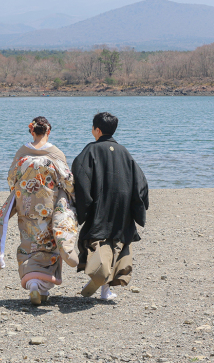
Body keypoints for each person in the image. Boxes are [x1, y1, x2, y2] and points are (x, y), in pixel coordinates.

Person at [0, 116, 79, 305]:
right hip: (48, 207)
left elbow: (11, 180)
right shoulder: (55, 155)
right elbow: (68, 181)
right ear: (48, 132)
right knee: (49, 246)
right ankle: (41, 287)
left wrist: (22, 193)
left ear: (32, 131)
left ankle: (33, 283)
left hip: (26, 206)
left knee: (28, 244)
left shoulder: (22, 155)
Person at [72, 112, 149, 301]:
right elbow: (141, 183)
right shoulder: (124, 152)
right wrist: (138, 207)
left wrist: (81, 206)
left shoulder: (90, 151)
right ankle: (105, 291)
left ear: (97, 130)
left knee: (98, 240)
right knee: (117, 242)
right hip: (122, 206)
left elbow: (80, 179)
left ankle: (99, 274)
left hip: (100, 204)